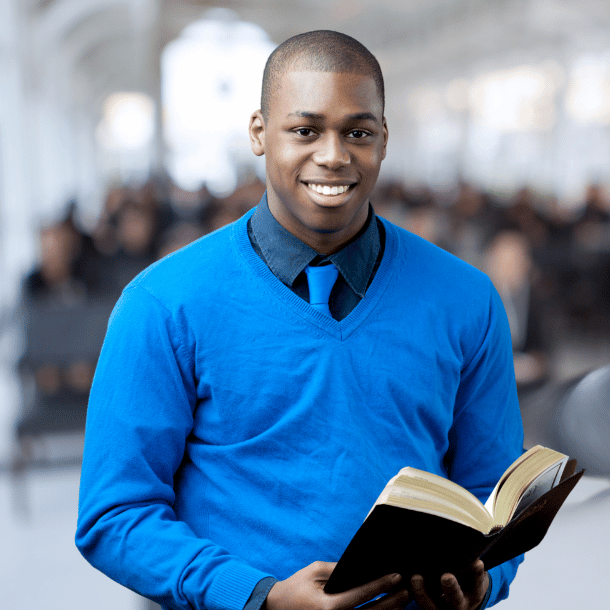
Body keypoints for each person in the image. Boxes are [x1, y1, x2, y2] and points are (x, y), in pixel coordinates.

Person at [75, 31, 524, 610]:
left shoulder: (466, 298)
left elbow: (492, 492)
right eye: (305, 130)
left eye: (358, 132)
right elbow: (116, 513)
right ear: (260, 133)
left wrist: (485, 579)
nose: (334, 155)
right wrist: (259, 596)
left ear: (384, 139)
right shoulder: (163, 303)